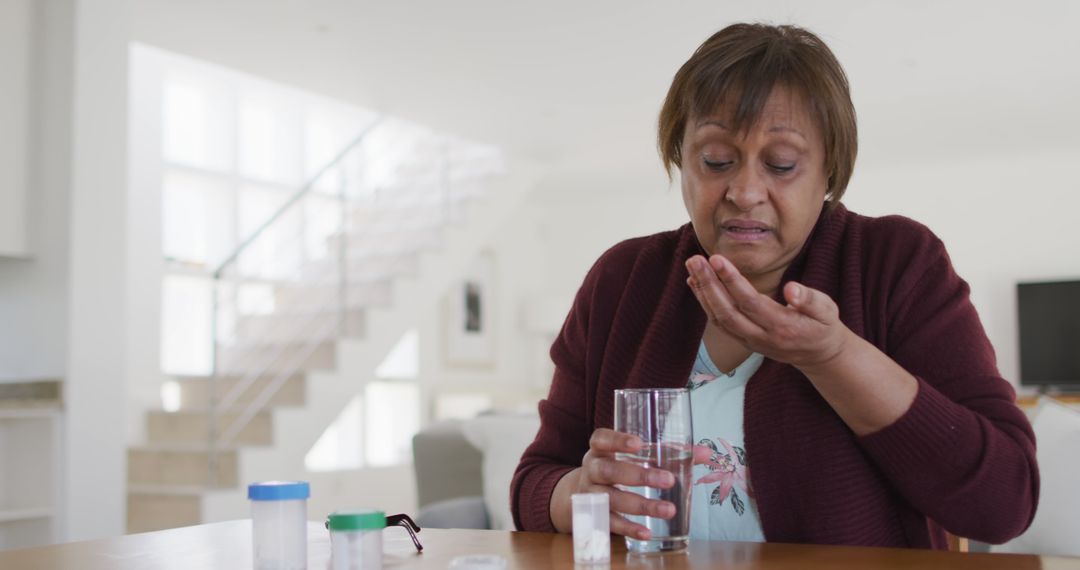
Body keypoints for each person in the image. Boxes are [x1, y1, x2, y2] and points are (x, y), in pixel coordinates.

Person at [510, 23, 1038, 549]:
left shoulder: (897, 263)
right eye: (715, 160)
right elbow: (534, 482)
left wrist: (831, 356)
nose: (744, 192)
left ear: (829, 169)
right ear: (680, 159)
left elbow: (1005, 503)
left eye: (781, 164)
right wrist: (579, 492)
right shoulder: (622, 281)